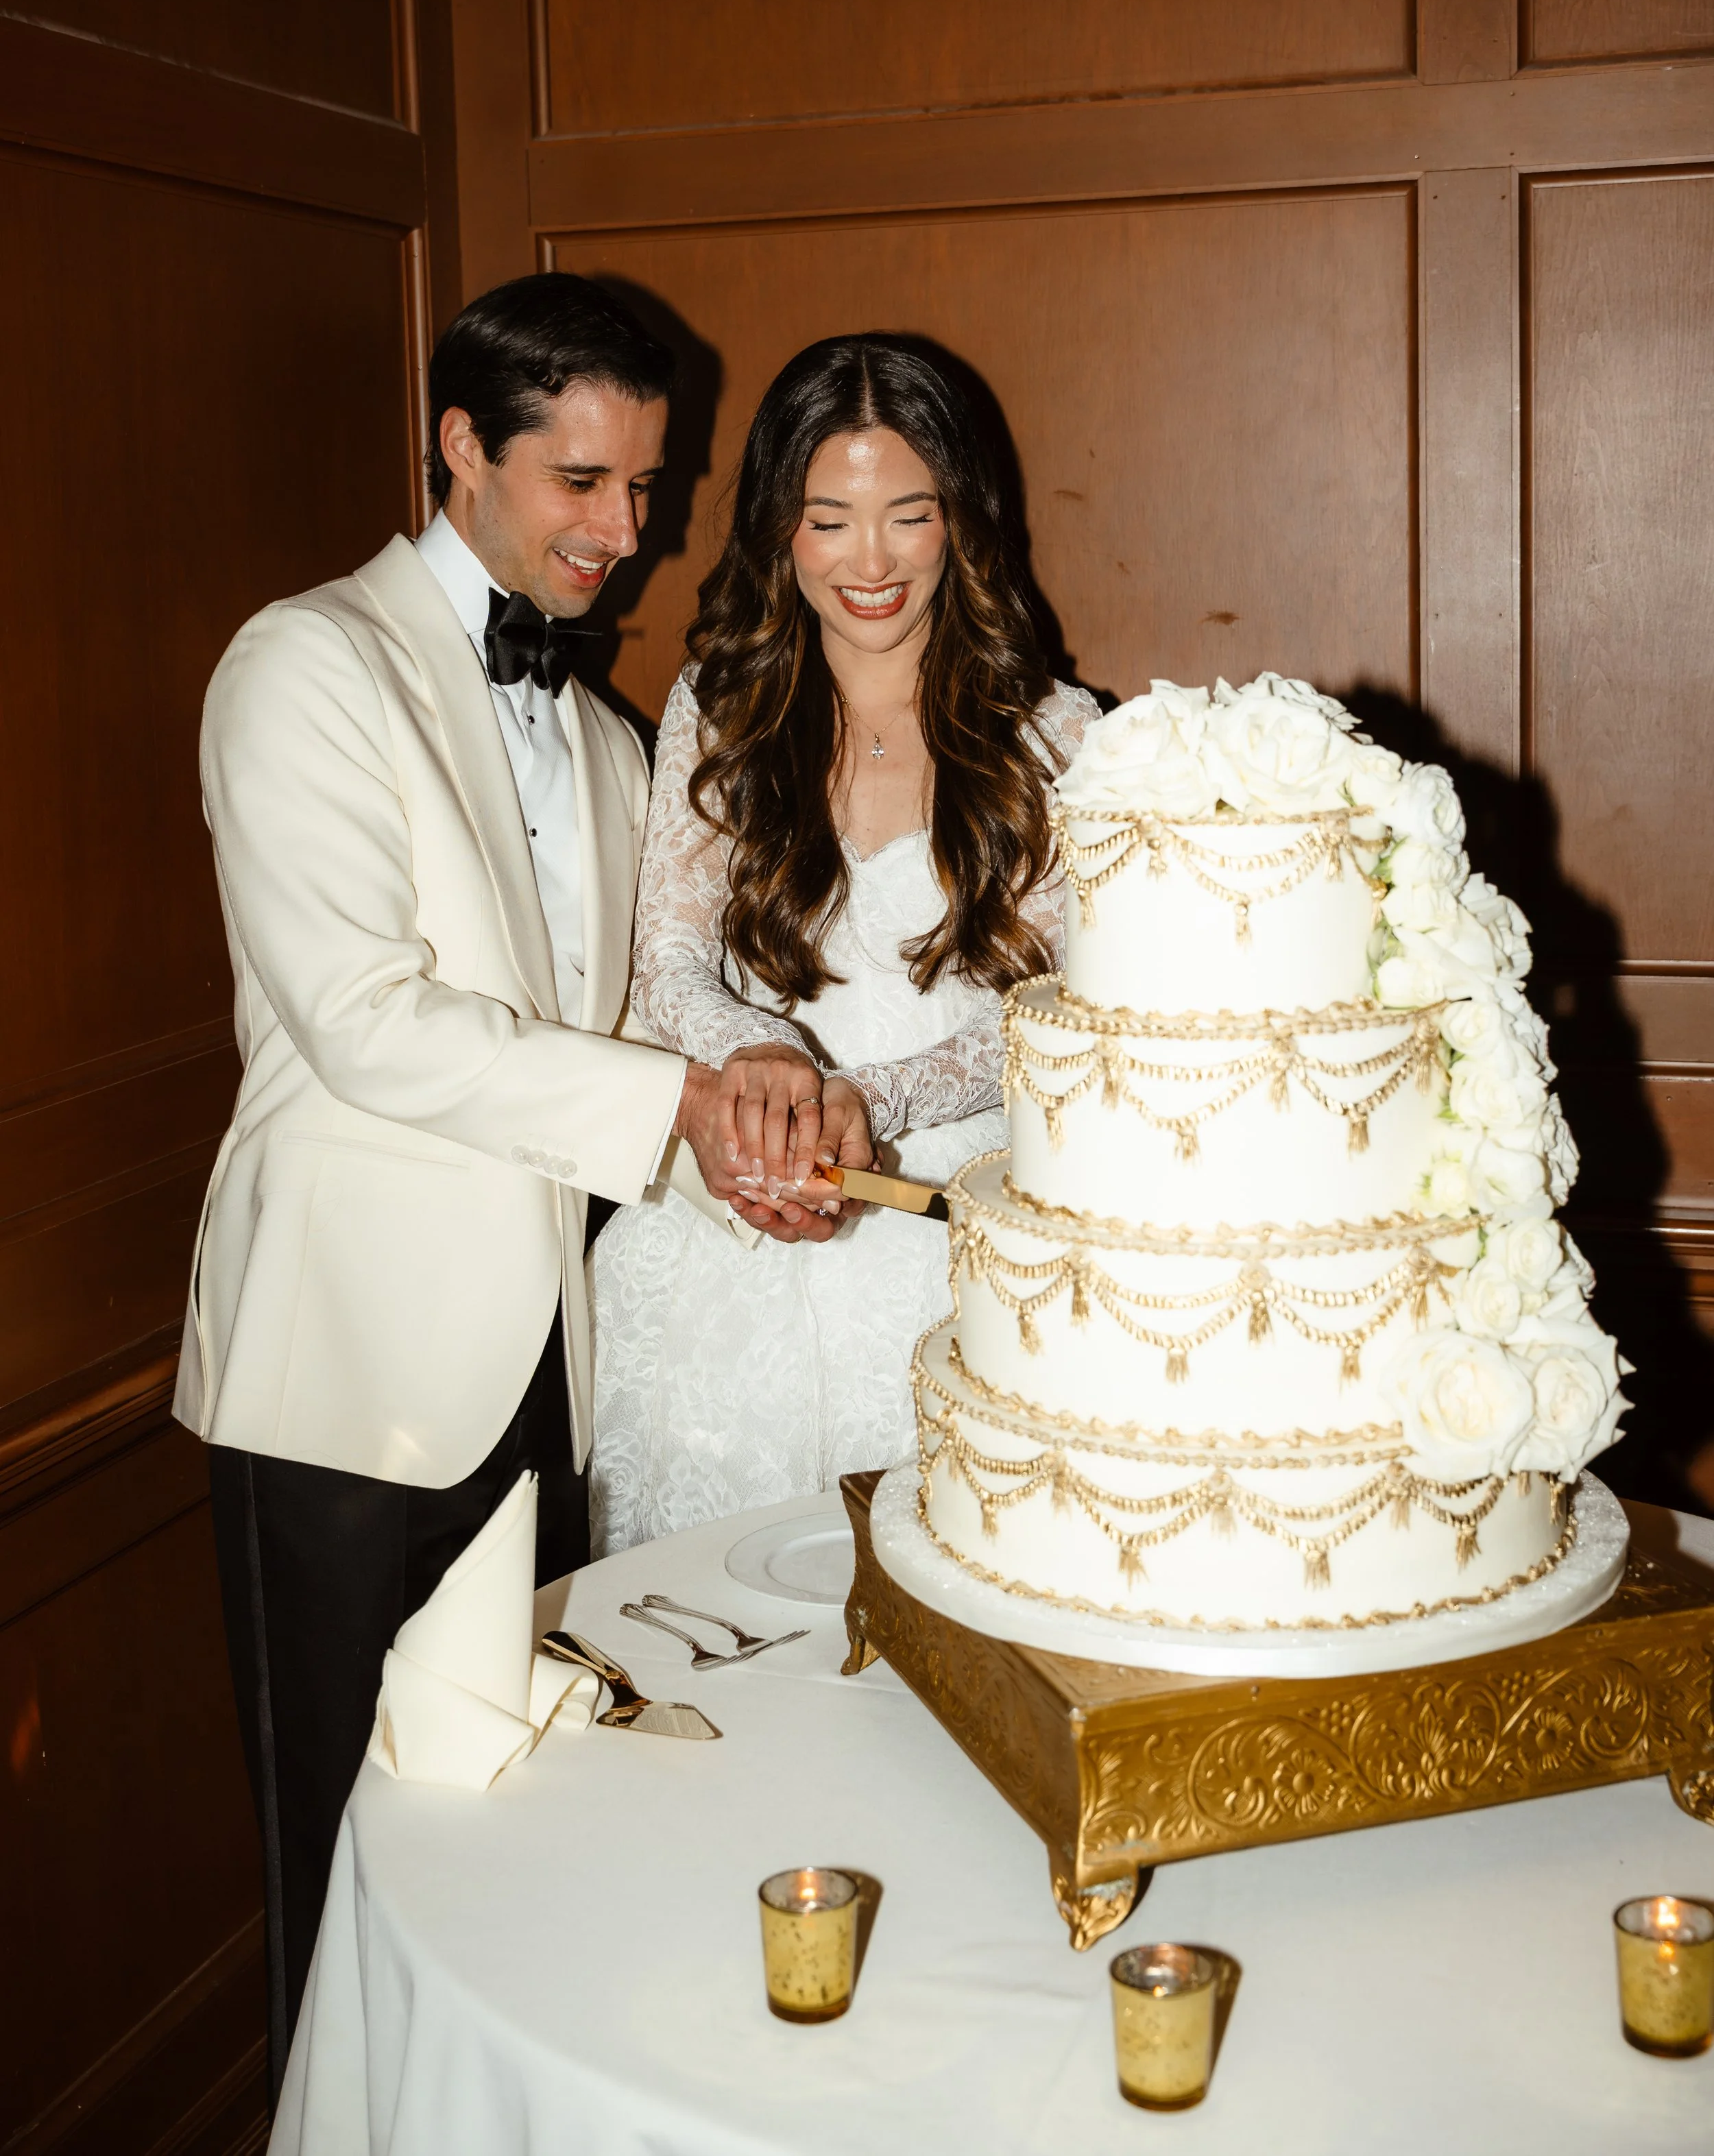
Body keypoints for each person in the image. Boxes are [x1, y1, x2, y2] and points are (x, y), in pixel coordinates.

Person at [176, 274, 871, 2102]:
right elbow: (368, 1024)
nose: (622, 533)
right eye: (580, 482)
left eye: (644, 488)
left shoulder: (612, 741)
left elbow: (617, 1052)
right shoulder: (303, 665)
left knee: (505, 1858)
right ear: (458, 448)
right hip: (338, 1383)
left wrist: (746, 1167)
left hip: (542, 1384)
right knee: (339, 1872)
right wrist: (684, 1105)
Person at [590, 334, 1098, 1551]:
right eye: (830, 521)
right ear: (781, 527)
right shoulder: (718, 708)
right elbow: (667, 962)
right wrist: (767, 1069)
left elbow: (1055, 1014)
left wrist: (871, 1098)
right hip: (729, 1226)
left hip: (950, 1246)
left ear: (961, 519)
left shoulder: (1061, 734)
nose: (871, 562)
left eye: (909, 516)